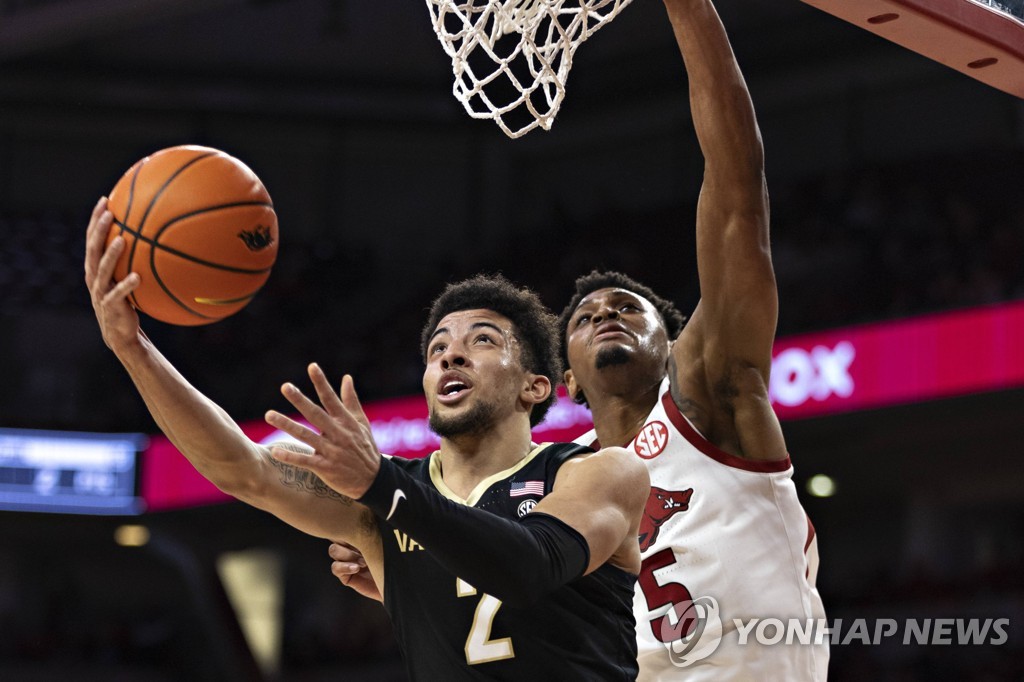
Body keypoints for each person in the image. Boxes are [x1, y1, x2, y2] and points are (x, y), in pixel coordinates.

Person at [330, 0, 828, 679]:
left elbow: (739, 197)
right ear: (563, 379)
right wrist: (410, 573)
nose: (605, 315)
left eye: (629, 307)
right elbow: (514, 581)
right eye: (586, 316)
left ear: (674, 342)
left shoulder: (713, 398)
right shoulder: (561, 481)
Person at [84, 206, 649, 680]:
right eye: (437, 350)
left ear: (535, 386)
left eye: (481, 340)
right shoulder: (383, 507)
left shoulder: (599, 473)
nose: (451, 355)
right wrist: (133, 349)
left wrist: (382, 485)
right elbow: (244, 469)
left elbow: (529, 567)